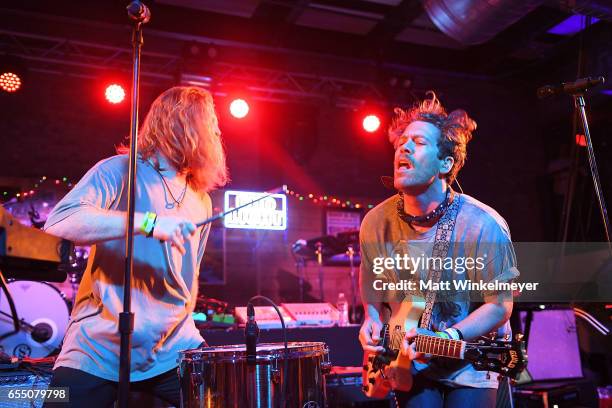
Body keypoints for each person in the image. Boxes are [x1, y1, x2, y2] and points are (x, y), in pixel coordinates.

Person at [43, 86, 229, 407]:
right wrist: (149, 223)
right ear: (182, 123)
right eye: (209, 120)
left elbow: (190, 274)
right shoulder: (119, 170)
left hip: (173, 346)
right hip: (99, 346)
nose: (216, 130)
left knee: (227, 398)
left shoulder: (201, 198)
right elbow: (60, 222)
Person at [358, 92, 518, 407]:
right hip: (407, 363)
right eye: (401, 141)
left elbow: (500, 307)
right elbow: (370, 285)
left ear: (445, 163)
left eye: (417, 142)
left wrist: (449, 338)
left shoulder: (483, 224)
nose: (403, 147)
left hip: (471, 362)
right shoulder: (375, 222)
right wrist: (371, 317)